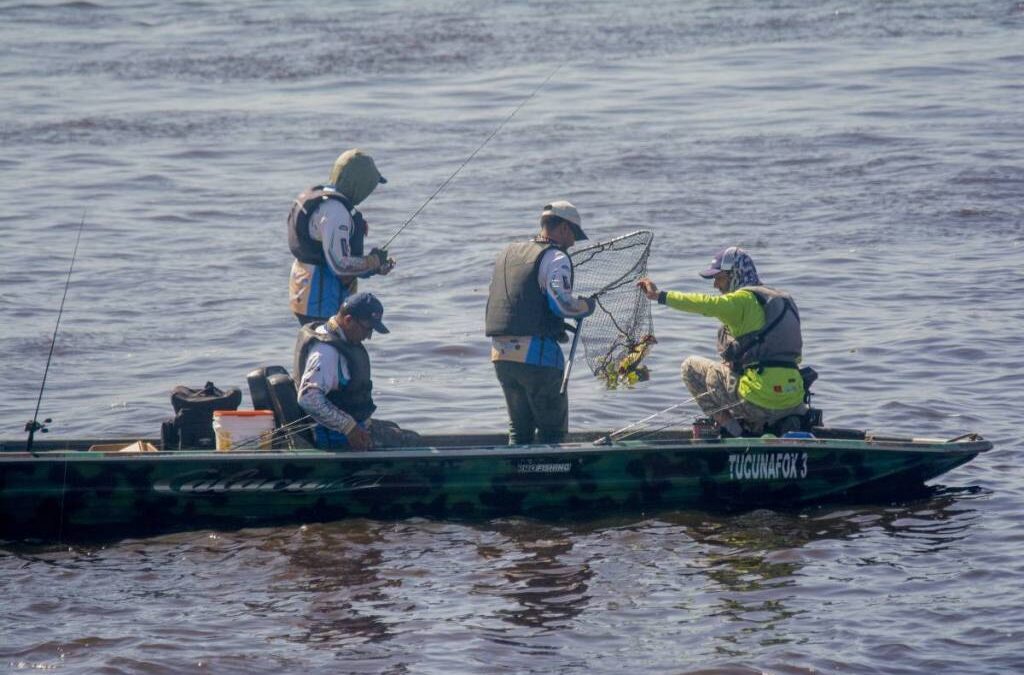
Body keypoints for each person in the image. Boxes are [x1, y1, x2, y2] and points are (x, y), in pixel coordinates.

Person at [637, 246, 806, 436]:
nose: (715, 286)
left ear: (735, 275)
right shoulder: (783, 300)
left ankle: (737, 432)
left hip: (759, 401)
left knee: (690, 367)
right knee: (731, 357)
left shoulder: (742, 300)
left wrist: (658, 295)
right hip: (794, 399)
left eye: (719, 278)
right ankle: (772, 424)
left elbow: (705, 304)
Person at [484, 201, 596, 445]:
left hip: (500, 356)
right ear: (564, 228)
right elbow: (562, 304)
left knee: (518, 431)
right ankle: (550, 478)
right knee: (552, 432)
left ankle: (518, 477)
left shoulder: (508, 253)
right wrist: (587, 306)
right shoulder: (556, 258)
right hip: (537, 358)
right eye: (574, 235)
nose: (574, 243)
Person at [288, 148, 396, 325]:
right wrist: (373, 261)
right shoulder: (335, 212)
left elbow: (334, 259)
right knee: (327, 348)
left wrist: (373, 268)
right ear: (359, 184)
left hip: (306, 296)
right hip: (320, 303)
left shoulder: (324, 201)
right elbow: (340, 264)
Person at [295, 292, 415, 450]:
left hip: (349, 427)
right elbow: (308, 397)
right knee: (411, 442)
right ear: (348, 320)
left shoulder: (339, 337)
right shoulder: (326, 352)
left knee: (396, 429)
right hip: (332, 435)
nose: (369, 336)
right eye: (367, 329)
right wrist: (348, 428)